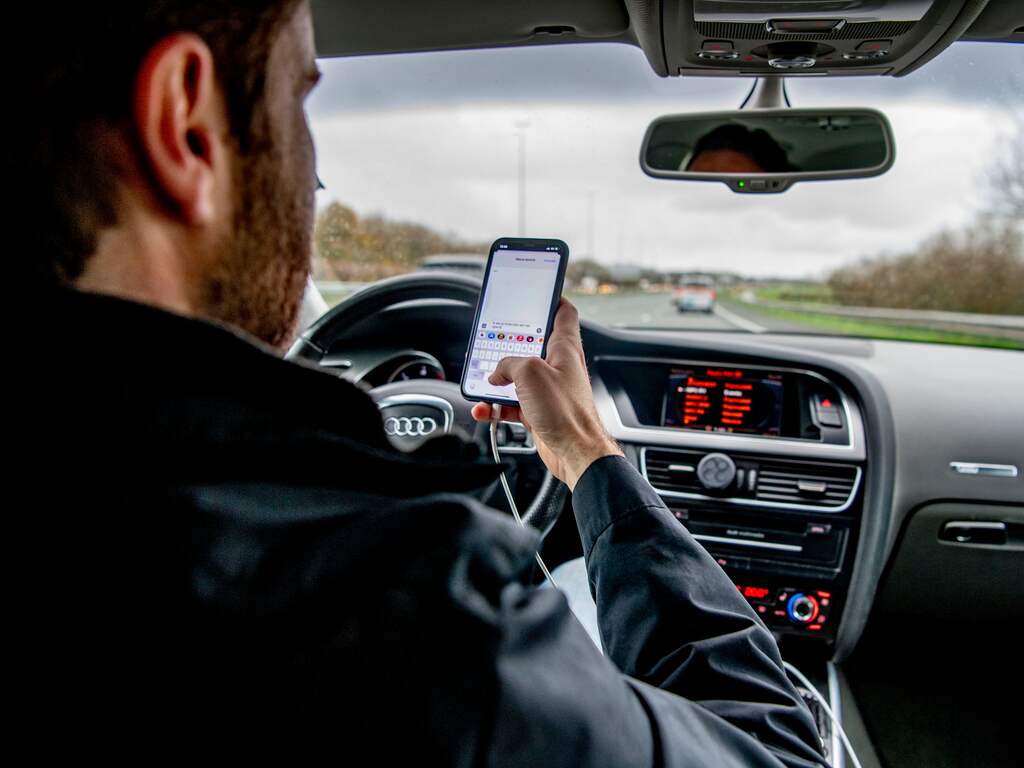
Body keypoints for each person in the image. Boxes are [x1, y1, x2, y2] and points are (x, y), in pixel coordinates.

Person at [14, 2, 827, 764]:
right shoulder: (421, 634)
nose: (313, 183)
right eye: (298, 101)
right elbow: (778, 748)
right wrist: (587, 454)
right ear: (185, 124)